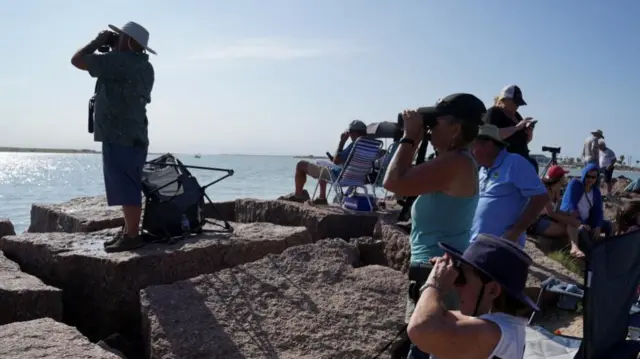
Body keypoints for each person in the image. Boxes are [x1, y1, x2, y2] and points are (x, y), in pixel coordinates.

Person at [383, 93, 486, 359]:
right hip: (437, 269)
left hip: (437, 272)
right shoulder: (455, 162)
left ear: (456, 128)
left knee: (425, 350)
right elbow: (401, 190)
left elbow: (393, 181)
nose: (430, 129)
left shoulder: (457, 162)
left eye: (435, 123)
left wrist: (410, 138)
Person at [71, 22, 155, 252]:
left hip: (120, 135)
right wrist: (114, 46)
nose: (114, 40)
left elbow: (77, 60)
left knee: (126, 187)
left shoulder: (120, 62)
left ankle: (131, 236)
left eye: (119, 37)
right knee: (128, 184)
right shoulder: (144, 66)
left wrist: (98, 41)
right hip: (134, 133)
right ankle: (129, 231)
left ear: (129, 41)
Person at [407, 234, 538, 359]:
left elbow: (420, 329)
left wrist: (435, 283)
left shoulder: (494, 332)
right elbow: (437, 317)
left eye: (463, 279)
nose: (456, 286)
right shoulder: (508, 327)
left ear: (492, 290)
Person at [471, 124, 549, 248]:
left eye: (472, 147)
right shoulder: (482, 170)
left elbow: (541, 197)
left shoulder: (514, 162)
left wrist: (515, 232)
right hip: (477, 245)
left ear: (488, 144)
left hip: (500, 245)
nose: (470, 152)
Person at [280, 120, 367, 204]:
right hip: (358, 179)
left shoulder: (355, 144)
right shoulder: (369, 148)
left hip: (340, 177)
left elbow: (336, 161)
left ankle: (298, 196)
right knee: (323, 164)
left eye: (350, 132)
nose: (349, 134)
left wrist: (342, 142)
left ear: (354, 133)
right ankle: (322, 198)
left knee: (300, 165)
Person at [560, 164, 613, 258]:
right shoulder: (575, 184)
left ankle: (610, 246)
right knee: (583, 230)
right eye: (588, 176)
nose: (590, 179)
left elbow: (598, 211)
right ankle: (591, 253)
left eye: (593, 177)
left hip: (589, 220)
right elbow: (570, 206)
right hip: (577, 221)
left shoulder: (595, 191)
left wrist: (597, 225)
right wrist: (582, 222)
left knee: (609, 225)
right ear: (584, 175)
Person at [483, 85, 538, 173]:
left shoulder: (517, 116)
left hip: (521, 161)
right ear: (504, 99)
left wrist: (529, 133)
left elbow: (521, 142)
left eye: (519, 103)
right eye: (515, 102)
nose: (517, 106)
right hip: (504, 165)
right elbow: (490, 136)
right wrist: (516, 128)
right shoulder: (494, 113)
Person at [529, 165, 580, 238]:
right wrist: (570, 220)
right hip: (535, 222)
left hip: (545, 217)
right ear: (559, 179)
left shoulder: (555, 188)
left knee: (571, 225)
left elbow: (556, 209)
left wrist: (569, 215)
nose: (565, 178)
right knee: (566, 230)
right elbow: (551, 213)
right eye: (563, 176)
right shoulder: (544, 190)